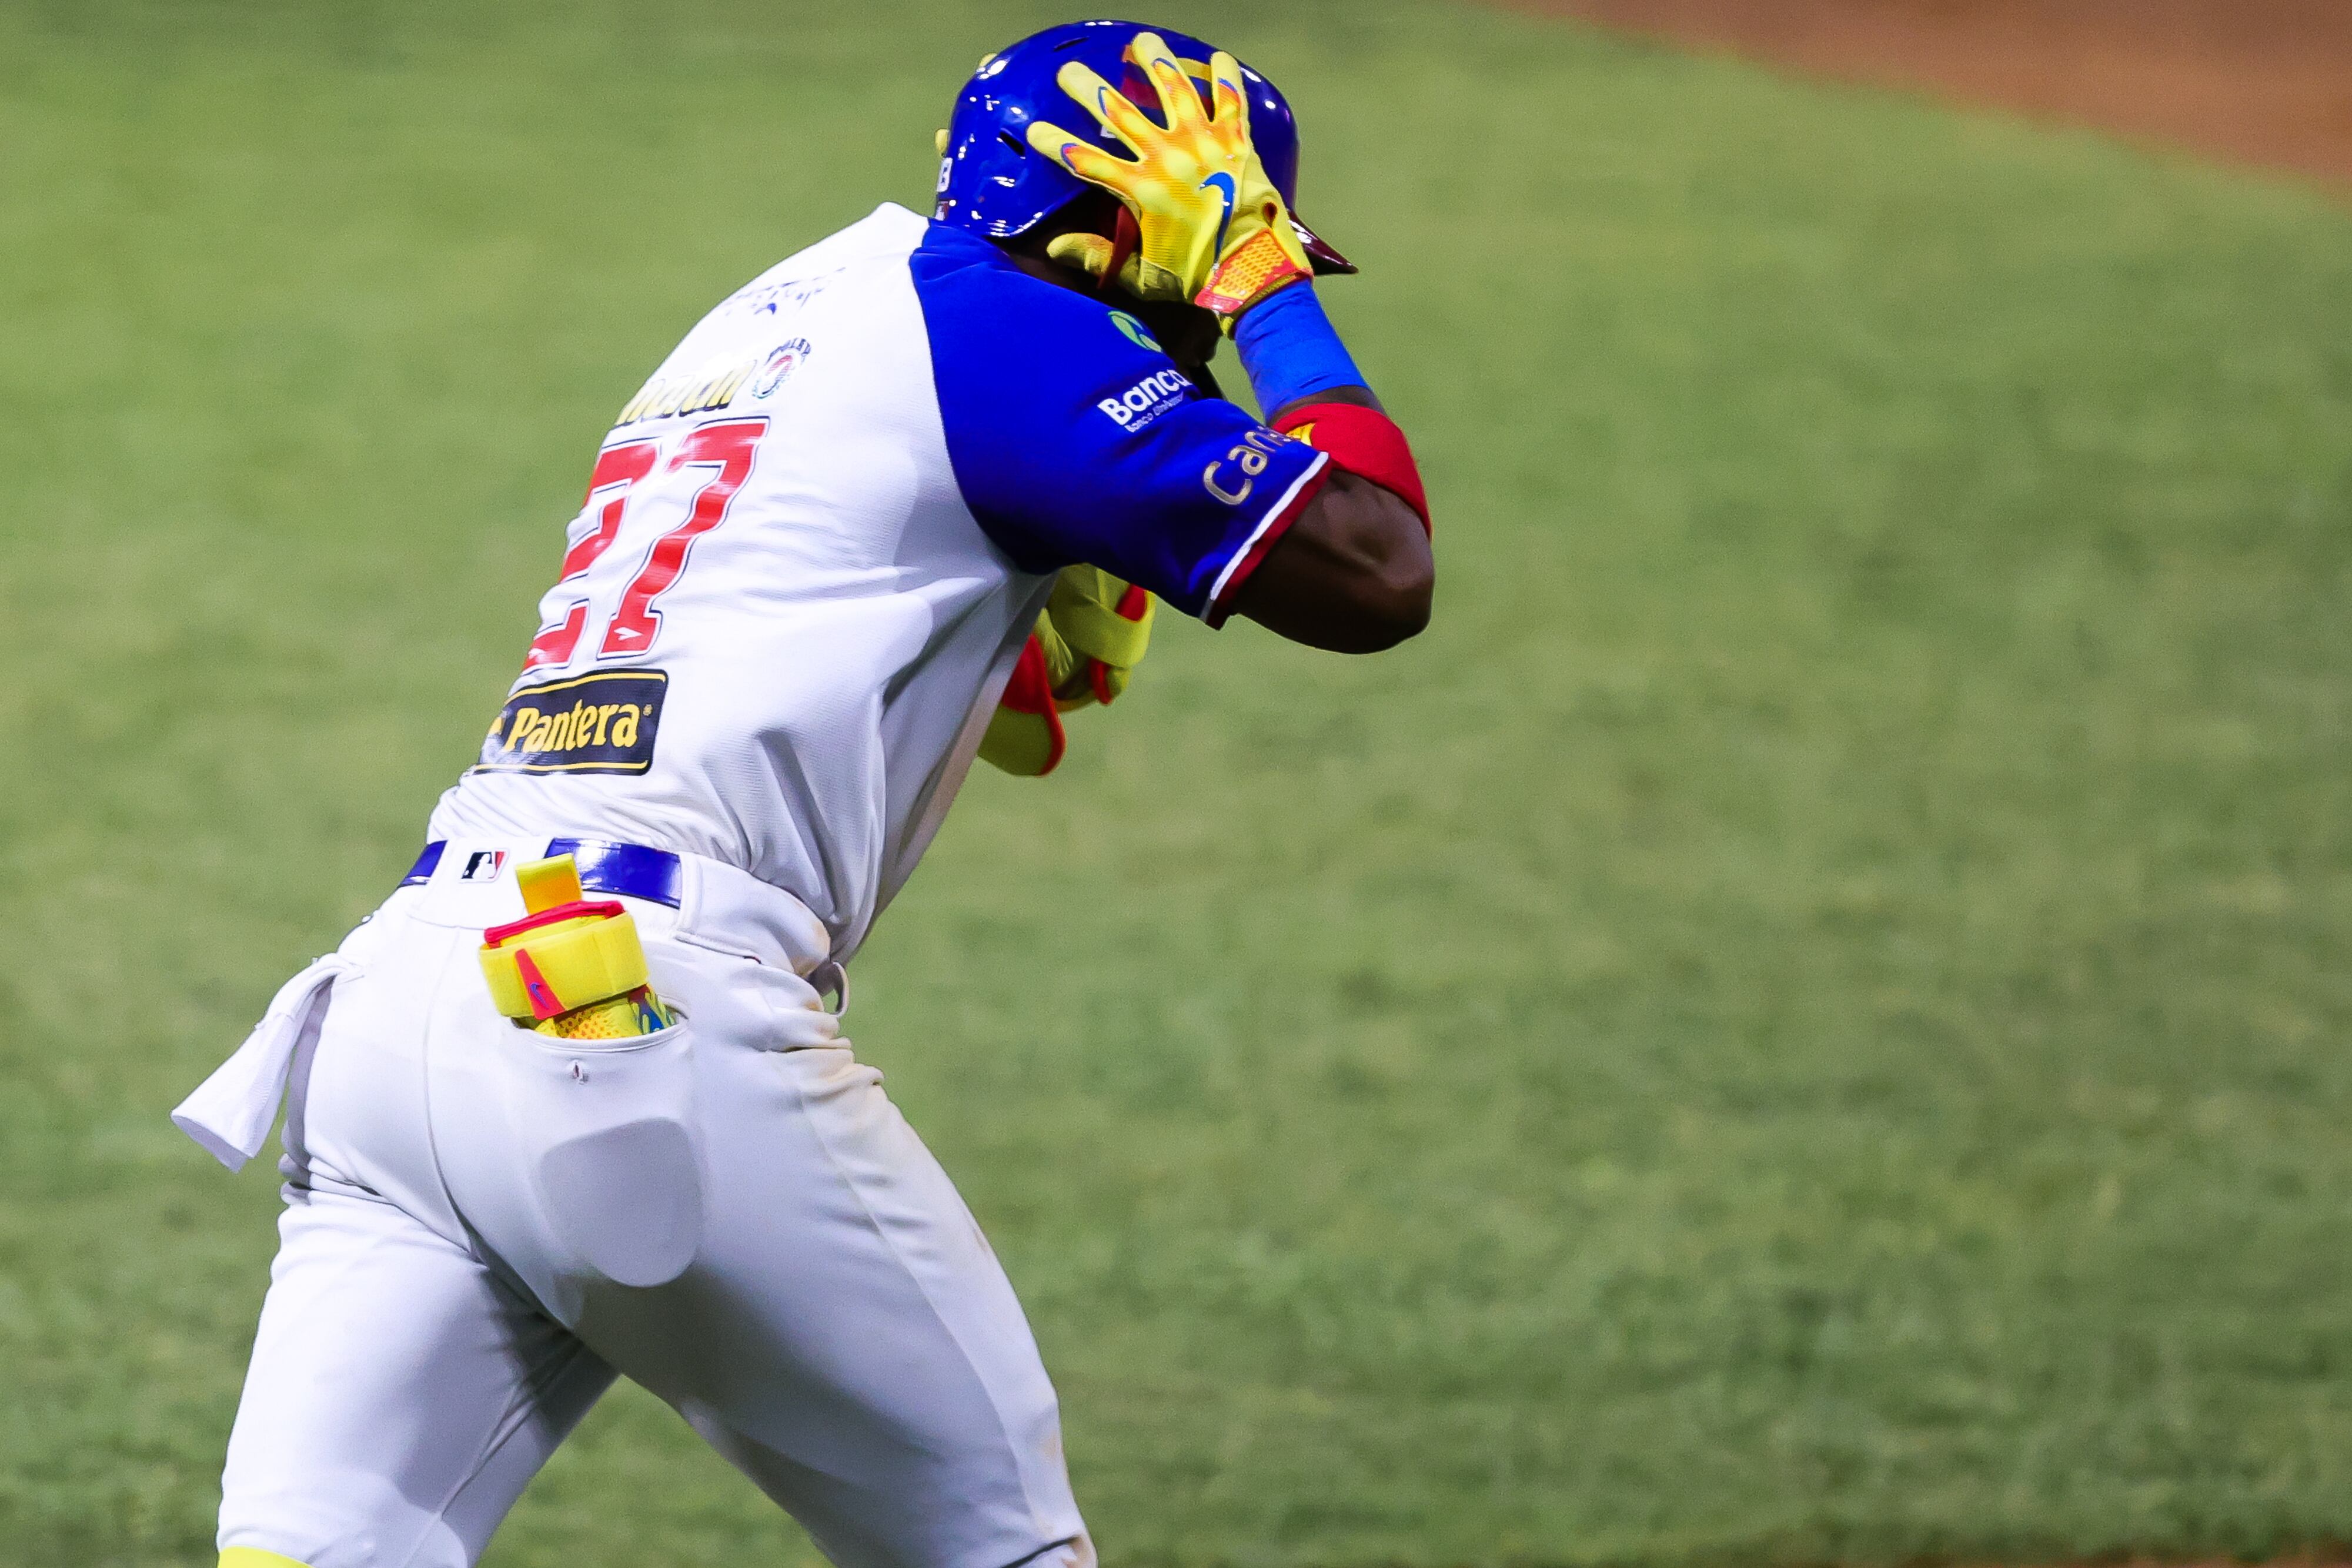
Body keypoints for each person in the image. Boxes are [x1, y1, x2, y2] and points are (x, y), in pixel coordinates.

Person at [172, 18, 1433, 1568]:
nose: (1195, 347)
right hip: (626, 1009)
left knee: (328, 1547)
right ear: (1139, 232)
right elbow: (1377, 568)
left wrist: (1039, 633)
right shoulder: (1013, 338)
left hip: (405, 1004)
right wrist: (1272, 293)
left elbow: (918, 668)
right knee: (1001, 1541)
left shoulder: (791, 314)